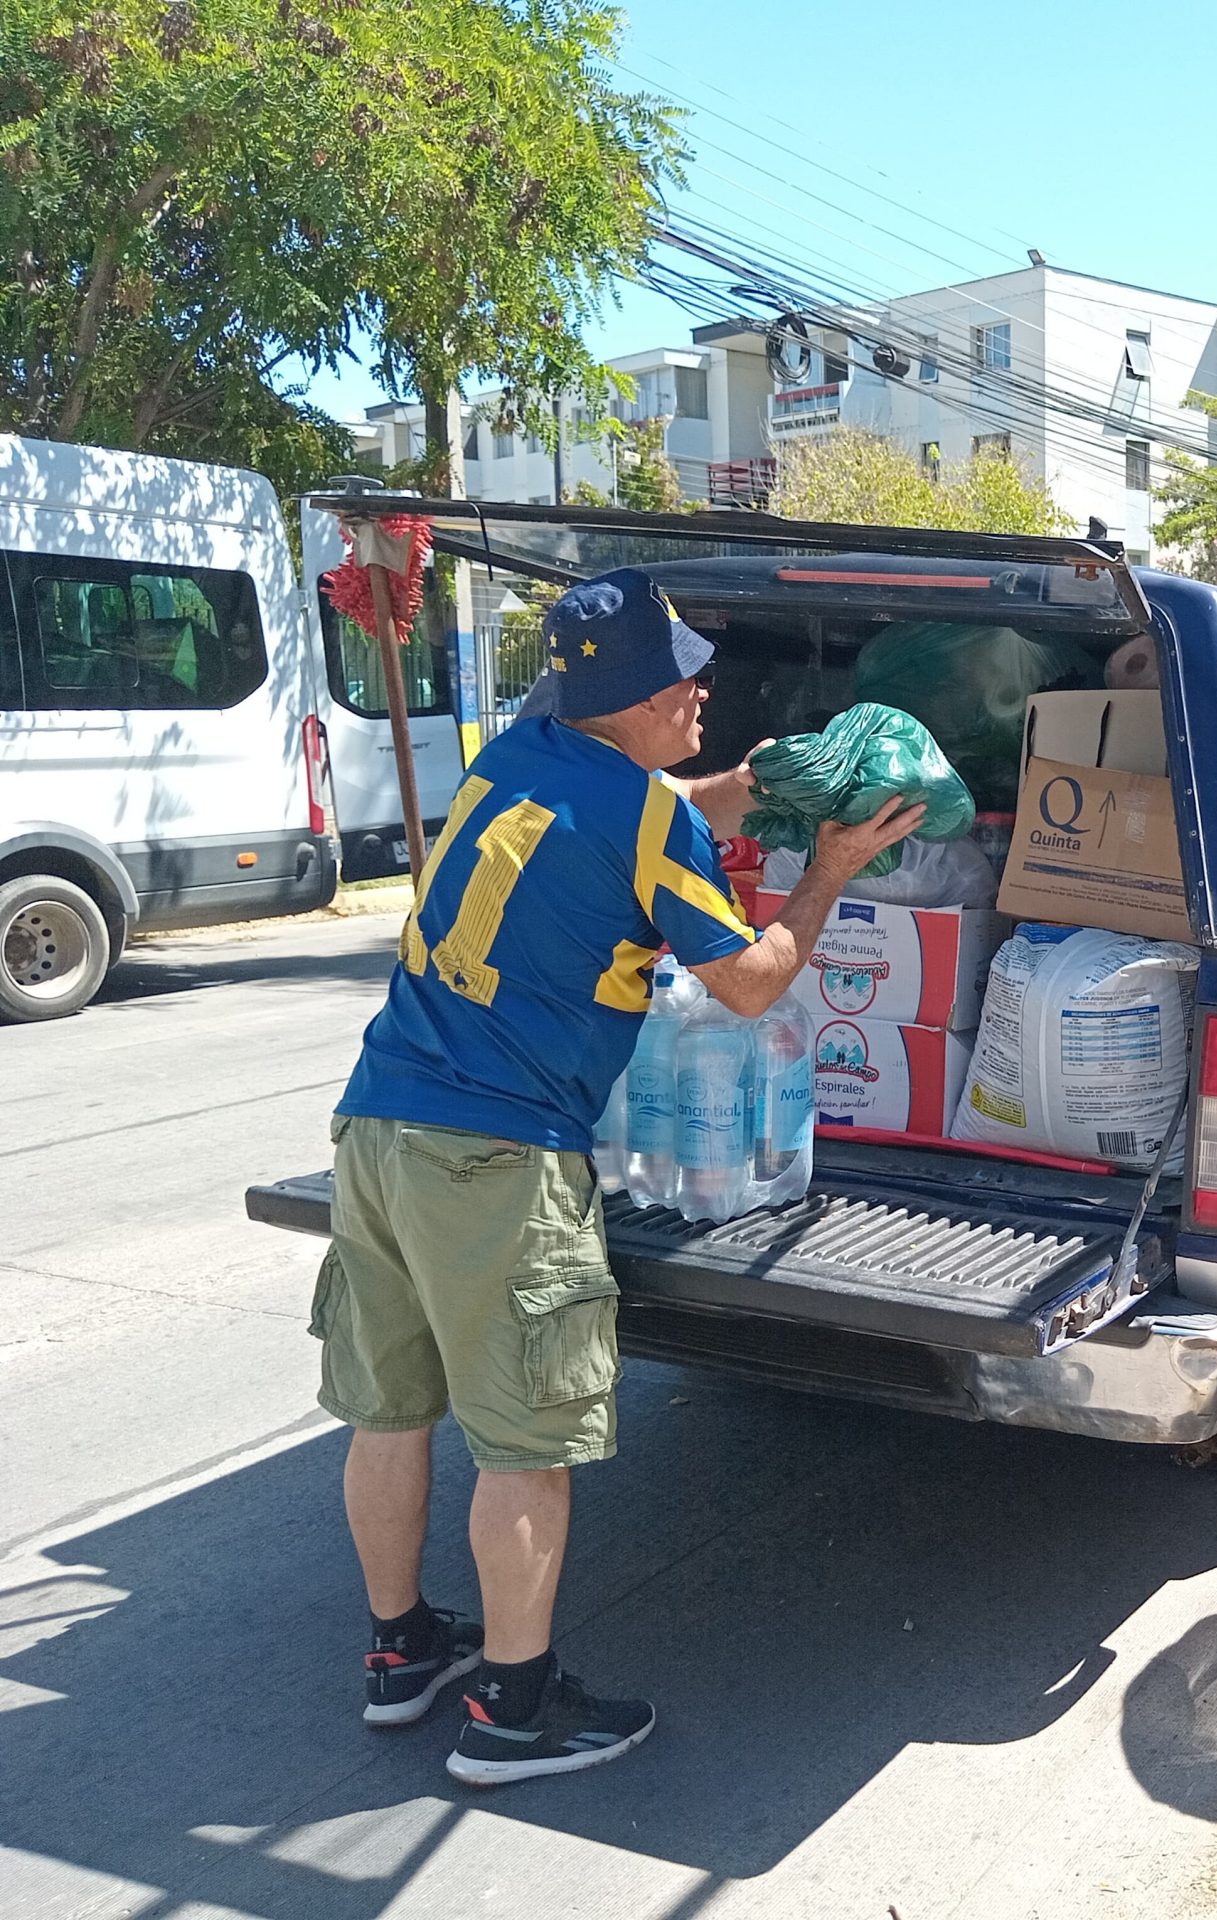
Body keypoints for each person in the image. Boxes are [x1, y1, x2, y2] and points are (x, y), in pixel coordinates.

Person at [318, 568, 923, 1786]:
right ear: (635, 698)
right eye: (684, 677)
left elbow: (622, 815)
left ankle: (399, 1655)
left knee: (389, 1407)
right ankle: (514, 1711)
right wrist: (835, 866)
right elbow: (750, 984)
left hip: (377, 1125)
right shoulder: (649, 820)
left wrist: (743, 782)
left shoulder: (516, 756)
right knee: (524, 1441)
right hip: (497, 1153)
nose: (703, 690)